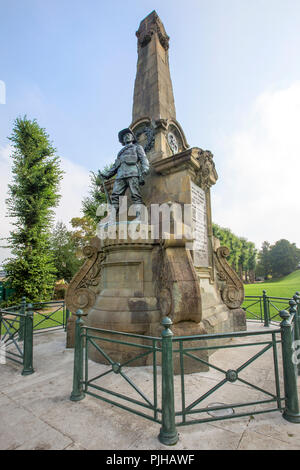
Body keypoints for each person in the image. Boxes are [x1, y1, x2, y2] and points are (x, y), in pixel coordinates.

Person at [99, 128, 150, 215]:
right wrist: (106, 175)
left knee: (135, 194)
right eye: (124, 136)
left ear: (132, 138)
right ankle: (112, 217)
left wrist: (145, 168)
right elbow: (115, 166)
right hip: (120, 175)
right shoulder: (120, 153)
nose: (126, 137)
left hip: (132, 173)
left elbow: (143, 158)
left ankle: (139, 216)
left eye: (128, 135)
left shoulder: (137, 147)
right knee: (115, 196)